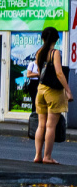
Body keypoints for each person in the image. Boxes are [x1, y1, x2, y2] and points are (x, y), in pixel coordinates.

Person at [34, 26, 72, 164]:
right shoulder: (54, 53)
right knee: (50, 126)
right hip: (53, 92)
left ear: (43, 38)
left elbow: (40, 73)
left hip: (41, 90)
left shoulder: (39, 52)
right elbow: (59, 73)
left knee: (41, 125)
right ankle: (47, 157)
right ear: (56, 39)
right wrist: (68, 90)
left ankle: (37, 155)